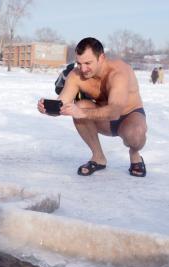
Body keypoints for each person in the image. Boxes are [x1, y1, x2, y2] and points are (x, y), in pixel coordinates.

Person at [38, 37, 147, 177]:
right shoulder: (76, 75)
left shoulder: (119, 73)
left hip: (129, 117)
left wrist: (81, 112)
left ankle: (135, 154)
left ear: (101, 58)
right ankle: (98, 157)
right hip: (103, 121)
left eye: (88, 63)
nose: (83, 69)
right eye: (79, 63)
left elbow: (115, 111)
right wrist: (48, 110)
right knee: (81, 105)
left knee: (136, 136)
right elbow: (63, 104)